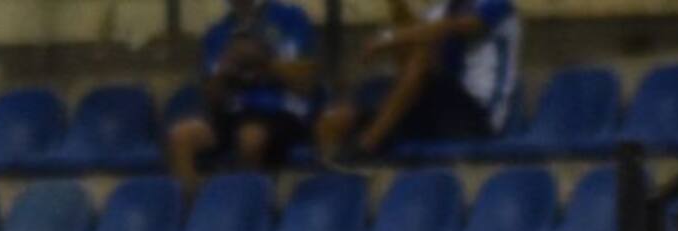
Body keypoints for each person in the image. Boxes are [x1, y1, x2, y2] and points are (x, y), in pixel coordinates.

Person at [317, 0, 521, 161]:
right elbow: (408, 64)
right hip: (443, 112)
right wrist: (397, 6)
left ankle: (367, 146)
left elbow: (454, 27)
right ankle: (332, 175)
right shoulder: (441, 10)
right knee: (353, 104)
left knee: (421, 58)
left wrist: (390, 37)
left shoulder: (497, 5)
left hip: (480, 116)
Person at [167, 0, 317, 198]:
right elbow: (212, 98)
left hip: (280, 111)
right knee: (181, 136)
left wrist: (263, 60)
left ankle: (247, 205)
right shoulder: (217, 32)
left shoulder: (290, 18)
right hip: (234, 112)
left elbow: (305, 84)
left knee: (250, 138)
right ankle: (191, 207)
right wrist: (225, 70)